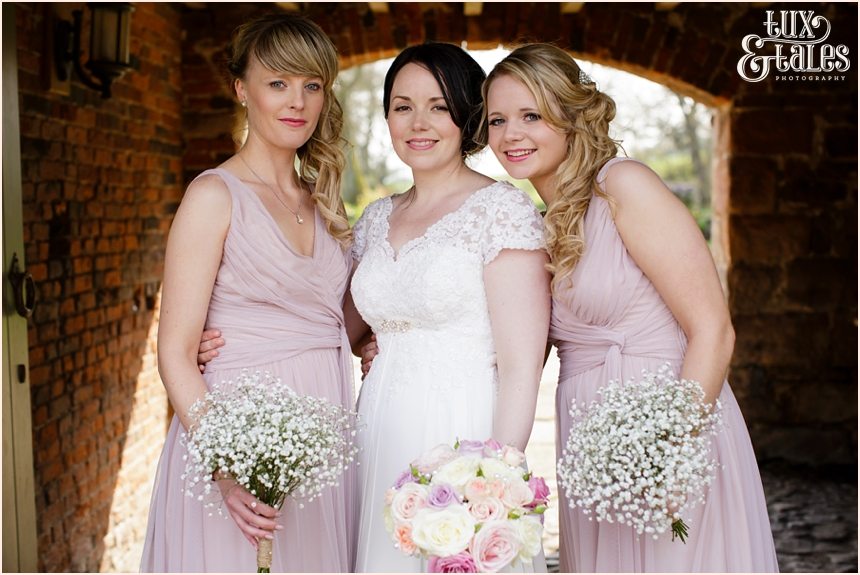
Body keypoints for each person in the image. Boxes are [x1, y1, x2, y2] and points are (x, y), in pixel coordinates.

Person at [481, 43, 779, 572]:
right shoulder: (542, 223)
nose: (511, 135)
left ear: (571, 116)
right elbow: (515, 348)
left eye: (532, 115)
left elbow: (714, 329)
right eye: (497, 120)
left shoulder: (622, 186)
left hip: (667, 435)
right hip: (594, 453)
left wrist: (672, 451)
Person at [140, 14, 356, 572]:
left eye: (312, 85)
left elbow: (336, 321)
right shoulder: (215, 195)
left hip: (321, 441)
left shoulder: (324, 201)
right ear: (241, 89)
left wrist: (385, 337)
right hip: (238, 443)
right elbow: (175, 353)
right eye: (278, 83)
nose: (297, 101)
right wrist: (226, 469)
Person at [345, 42, 551, 572]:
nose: (419, 122)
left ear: (466, 115)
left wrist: (495, 483)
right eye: (403, 106)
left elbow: (522, 366)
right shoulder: (374, 219)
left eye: (438, 106)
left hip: (464, 429)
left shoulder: (500, 211)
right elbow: (341, 325)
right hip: (377, 429)